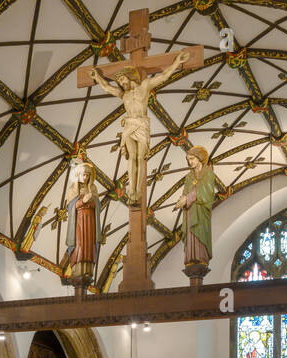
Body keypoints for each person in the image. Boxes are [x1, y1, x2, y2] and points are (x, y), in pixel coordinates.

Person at [91, 49, 190, 205]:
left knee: (140, 158)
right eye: (120, 82)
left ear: (130, 77)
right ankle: (132, 190)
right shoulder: (123, 94)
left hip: (142, 125)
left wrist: (177, 62)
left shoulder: (144, 86)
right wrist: (96, 76)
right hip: (130, 125)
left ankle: (138, 189)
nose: (121, 83)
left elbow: (163, 76)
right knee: (131, 157)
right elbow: (106, 87)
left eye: (123, 80)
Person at [175, 145, 217, 274]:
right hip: (190, 212)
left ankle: (201, 258)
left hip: (201, 212)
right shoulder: (189, 176)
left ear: (200, 158)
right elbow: (185, 191)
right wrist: (182, 200)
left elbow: (207, 191)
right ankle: (190, 258)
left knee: (199, 233)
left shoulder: (208, 172)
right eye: (188, 159)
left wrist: (188, 198)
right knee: (190, 235)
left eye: (192, 158)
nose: (190, 162)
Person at [62, 162, 101, 288]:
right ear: (78, 175)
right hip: (79, 221)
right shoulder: (74, 188)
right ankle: (77, 269)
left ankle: (88, 270)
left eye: (88, 175)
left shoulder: (93, 188)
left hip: (90, 221)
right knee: (80, 244)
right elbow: (70, 207)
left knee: (89, 245)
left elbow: (98, 207)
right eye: (83, 174)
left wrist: (93, 201)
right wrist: (83, 200)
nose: (85, 177)